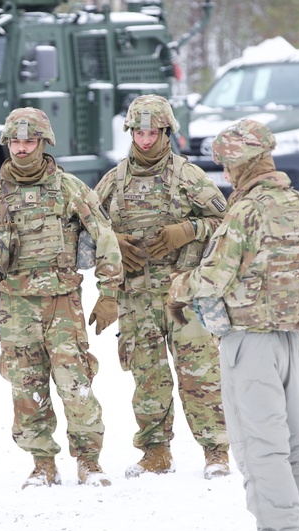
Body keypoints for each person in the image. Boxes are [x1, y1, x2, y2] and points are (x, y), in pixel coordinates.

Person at [167, 118, 299, 531]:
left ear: (237, 164)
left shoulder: (246, 212)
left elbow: (214, 278)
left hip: (251, 343)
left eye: (225, 164)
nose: (224, 173)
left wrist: (177, 286)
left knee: (258, 444)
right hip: (293, 340)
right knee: (297, 442)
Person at [0, 107, 123, 489]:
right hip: (15, 306)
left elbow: (105, 238)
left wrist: (109, 295)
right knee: (26, 384)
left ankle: (89, 461)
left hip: (62, 303)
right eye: (15, 142)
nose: (21, 149)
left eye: (29, 141)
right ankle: (42, 464)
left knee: (76, 380)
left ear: (43, 142)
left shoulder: (70, 189)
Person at [93, 95, 229, 479]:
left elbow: (230, 224)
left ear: (167, 131)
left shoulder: (189, 177)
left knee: (200, 375)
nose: (146, 140)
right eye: (139, 132)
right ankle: (155, 452)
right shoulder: (113, 181)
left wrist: (188, 230)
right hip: (135, 299)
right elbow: (82, 230)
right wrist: (112, 241)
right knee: (147, 377)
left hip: (184, 296)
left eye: (153, 132)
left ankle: (216, 451)